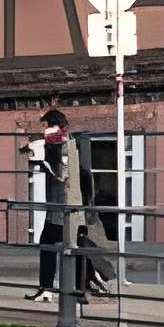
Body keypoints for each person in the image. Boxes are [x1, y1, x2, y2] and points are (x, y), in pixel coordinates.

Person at [26, 109, 116, 302]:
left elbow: (63, 175)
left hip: (63, 209)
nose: (43, 130)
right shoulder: (69, 143)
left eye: (45, 125)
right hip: (70, 208)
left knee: (53, 246)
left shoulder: (61, 145)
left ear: (54, 125)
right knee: (72, 248)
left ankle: (52, 289)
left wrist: (43, 163)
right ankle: (80, 288)